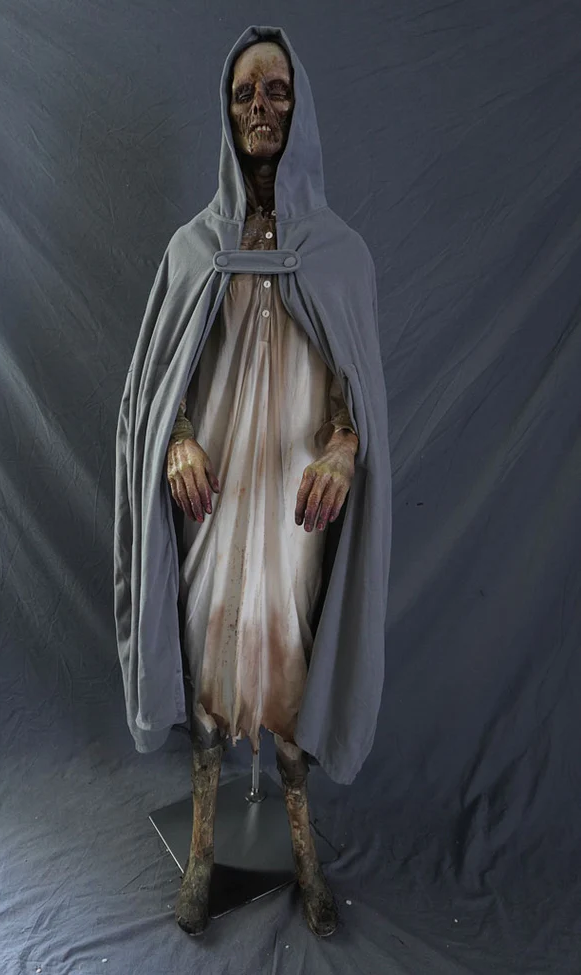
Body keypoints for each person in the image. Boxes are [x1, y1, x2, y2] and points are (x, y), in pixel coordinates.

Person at [114, 25, 392, 939]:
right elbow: (158, 388)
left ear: (299, 108)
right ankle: (204, 852)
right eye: (245, 94)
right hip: (214, 503)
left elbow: (356, 397)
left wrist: (344, 450)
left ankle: (306, 858)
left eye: (277, 91)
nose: (261, 108)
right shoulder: (193, 249)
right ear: (227, 113)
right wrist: (177, 441)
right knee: (210, 659)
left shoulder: (343, 254)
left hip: (296, 512)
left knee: (290, 667)